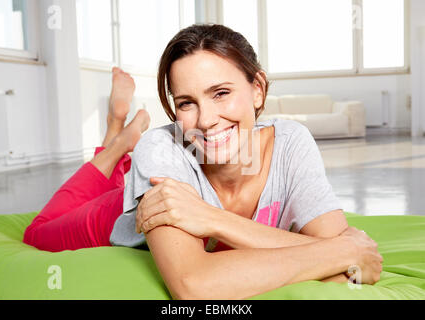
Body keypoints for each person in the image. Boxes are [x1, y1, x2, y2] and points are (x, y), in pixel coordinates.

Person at [23, 24, 383, 300]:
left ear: (257, 88)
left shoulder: (290, 142)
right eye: (186, 103)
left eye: (221, 93)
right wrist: (341, 253)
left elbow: (341, 257)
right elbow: (192, 285)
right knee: (37, 231)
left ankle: (120, 146)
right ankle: (117, 143)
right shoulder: (162, 147)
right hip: (109, 216)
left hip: (165, 177)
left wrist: (211, 219)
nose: (207, 119)